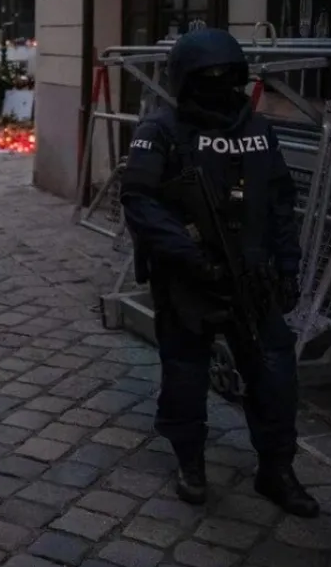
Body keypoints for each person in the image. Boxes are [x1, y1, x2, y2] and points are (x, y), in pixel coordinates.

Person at [119, 27, 318, 518]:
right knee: (186, 376)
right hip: (189, 279)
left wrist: (289, 269)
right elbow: (139, 201)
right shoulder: (160, 131)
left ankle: (277, 468)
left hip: (253, 275)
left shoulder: (256, 130)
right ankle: (190, 462)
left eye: (226, 76)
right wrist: (189, 255)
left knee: (275, 375)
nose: (218, 85)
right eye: (207, 77)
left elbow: (279, 203)